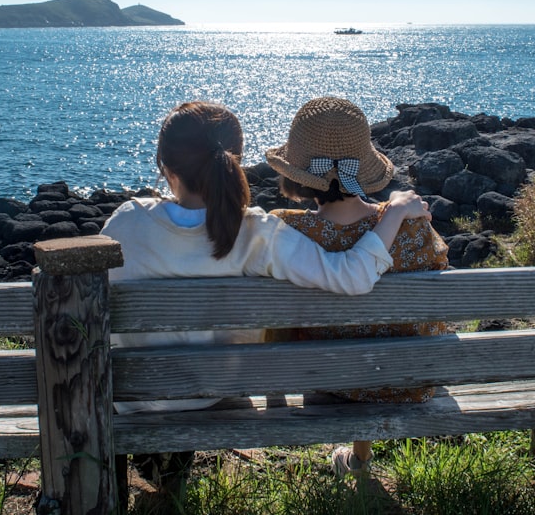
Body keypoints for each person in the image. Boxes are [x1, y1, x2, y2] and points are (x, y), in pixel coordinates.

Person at [100, 100, 431, 504]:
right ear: (233, 162)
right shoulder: (258, 231)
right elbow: (352, 275)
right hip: (211, 394)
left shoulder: (124, 225)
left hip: (136, 398)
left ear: (166, 168)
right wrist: (393, 212)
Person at [264, 96, 450, 480]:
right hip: (406, 381)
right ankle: (360, 460)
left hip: (325, 378)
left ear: (300, 173)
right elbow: (438, 280)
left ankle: (352, 455)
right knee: (381, 335)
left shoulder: (285, 230)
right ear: (361, 168)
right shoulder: (409, 226)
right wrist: (396, 211)